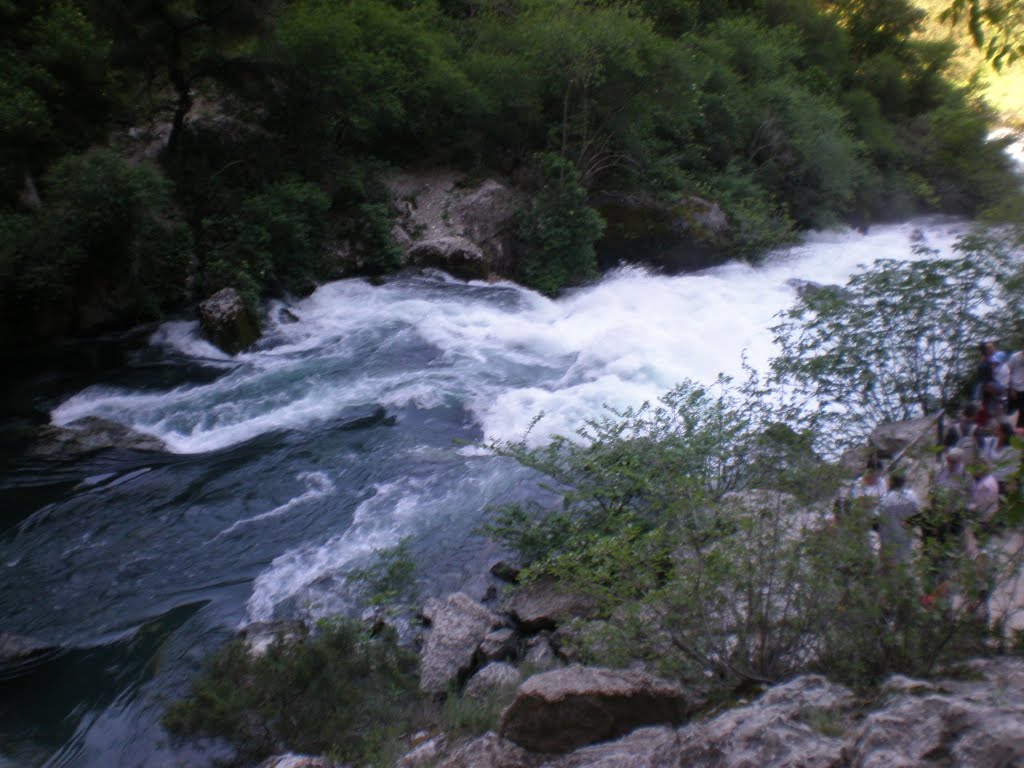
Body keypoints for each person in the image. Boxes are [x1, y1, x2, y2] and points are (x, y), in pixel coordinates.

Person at [878, 471, 920, 566]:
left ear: (891, 482)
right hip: (906, 535)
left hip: (890, 537)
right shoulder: (911, 496)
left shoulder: (885, 499)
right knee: (905, 560)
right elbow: (917, 515)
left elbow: (880, 521)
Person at [1006, 340, 1024, 419]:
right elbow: (1008, 372)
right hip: (1014, 388)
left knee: (1022, 414)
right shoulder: (1015, 357)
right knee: (1011, 412)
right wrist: (1011, 389)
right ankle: (1008, 430)